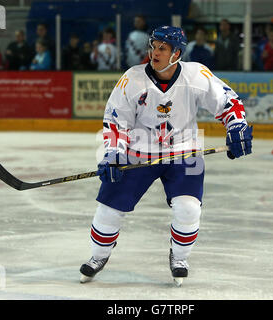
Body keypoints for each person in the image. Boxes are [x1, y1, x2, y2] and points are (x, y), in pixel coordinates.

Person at [79, 25, 253, 286]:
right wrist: (113, 154)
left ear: (177, 53)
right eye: (153, 46)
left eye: (162, 48)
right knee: (109, 209)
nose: (155, 52)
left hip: (184, 152)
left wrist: (237, 126)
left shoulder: (195, 75)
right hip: (138, 153)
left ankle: (180, 257)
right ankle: (98, 256)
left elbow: (228, 101)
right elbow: (115, 120)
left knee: (189, 208)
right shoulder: (133, 78)